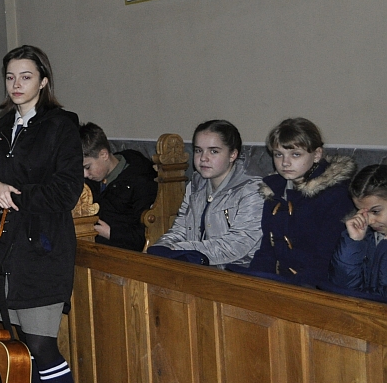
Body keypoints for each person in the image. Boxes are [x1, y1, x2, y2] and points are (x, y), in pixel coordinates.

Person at [0, 45, 85, 383]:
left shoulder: (61, 125)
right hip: (9, 248)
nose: (17, 84)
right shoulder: (3, 126)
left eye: (25, 76)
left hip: (44, 247)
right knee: (21, 343)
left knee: (43, 345)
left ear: (43, 81)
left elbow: (67, 189)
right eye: (10, 77)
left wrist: (12, 195)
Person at [244, 118, 354, 285]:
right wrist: (254, 282)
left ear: (317, 154)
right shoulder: (275, 191)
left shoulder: (336, 196)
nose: (285, 162)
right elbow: (267, 250)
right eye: (278, 154)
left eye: (296, 154)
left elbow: (324, 261)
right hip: (279, 282)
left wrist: (292, 291)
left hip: (315, 286)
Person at [147, 120, 262, 268]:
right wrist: (162, 247)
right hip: (199, 266)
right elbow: (180, 229)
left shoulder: (254, 190)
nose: (203, 158)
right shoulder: (197, 184)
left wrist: (177, 250)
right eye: (198, 150)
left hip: (240, 272)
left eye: (213, 151)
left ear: (233, 155)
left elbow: (236, 245)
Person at [80, 123, 158, 252]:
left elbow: (147, 234)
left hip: (123, 253)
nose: (85, 175)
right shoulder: (93, 179)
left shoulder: (141, 180)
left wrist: (111, 233)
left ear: (104, 155)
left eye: (87, 167)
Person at [328, 166, 387, 301]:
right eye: (362, 212)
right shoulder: (369, 237)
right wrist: (353, 242)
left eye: (376, 211)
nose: (369, 221)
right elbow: (342, 287)